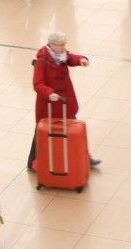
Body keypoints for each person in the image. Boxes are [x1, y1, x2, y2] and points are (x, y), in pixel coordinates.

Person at [28, 32, 98, 170]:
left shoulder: (61, 55)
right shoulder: (42, 61)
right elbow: (37, 84)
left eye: (64, 45)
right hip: (49, 104)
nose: (64, 48)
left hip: (65, 102)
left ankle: (85, 157)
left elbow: (71, 58)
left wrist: (81, 60)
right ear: (52, 45)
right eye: (61, 45)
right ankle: (33, 162)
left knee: (74, 129)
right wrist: (49, 93)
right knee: (41, 133)